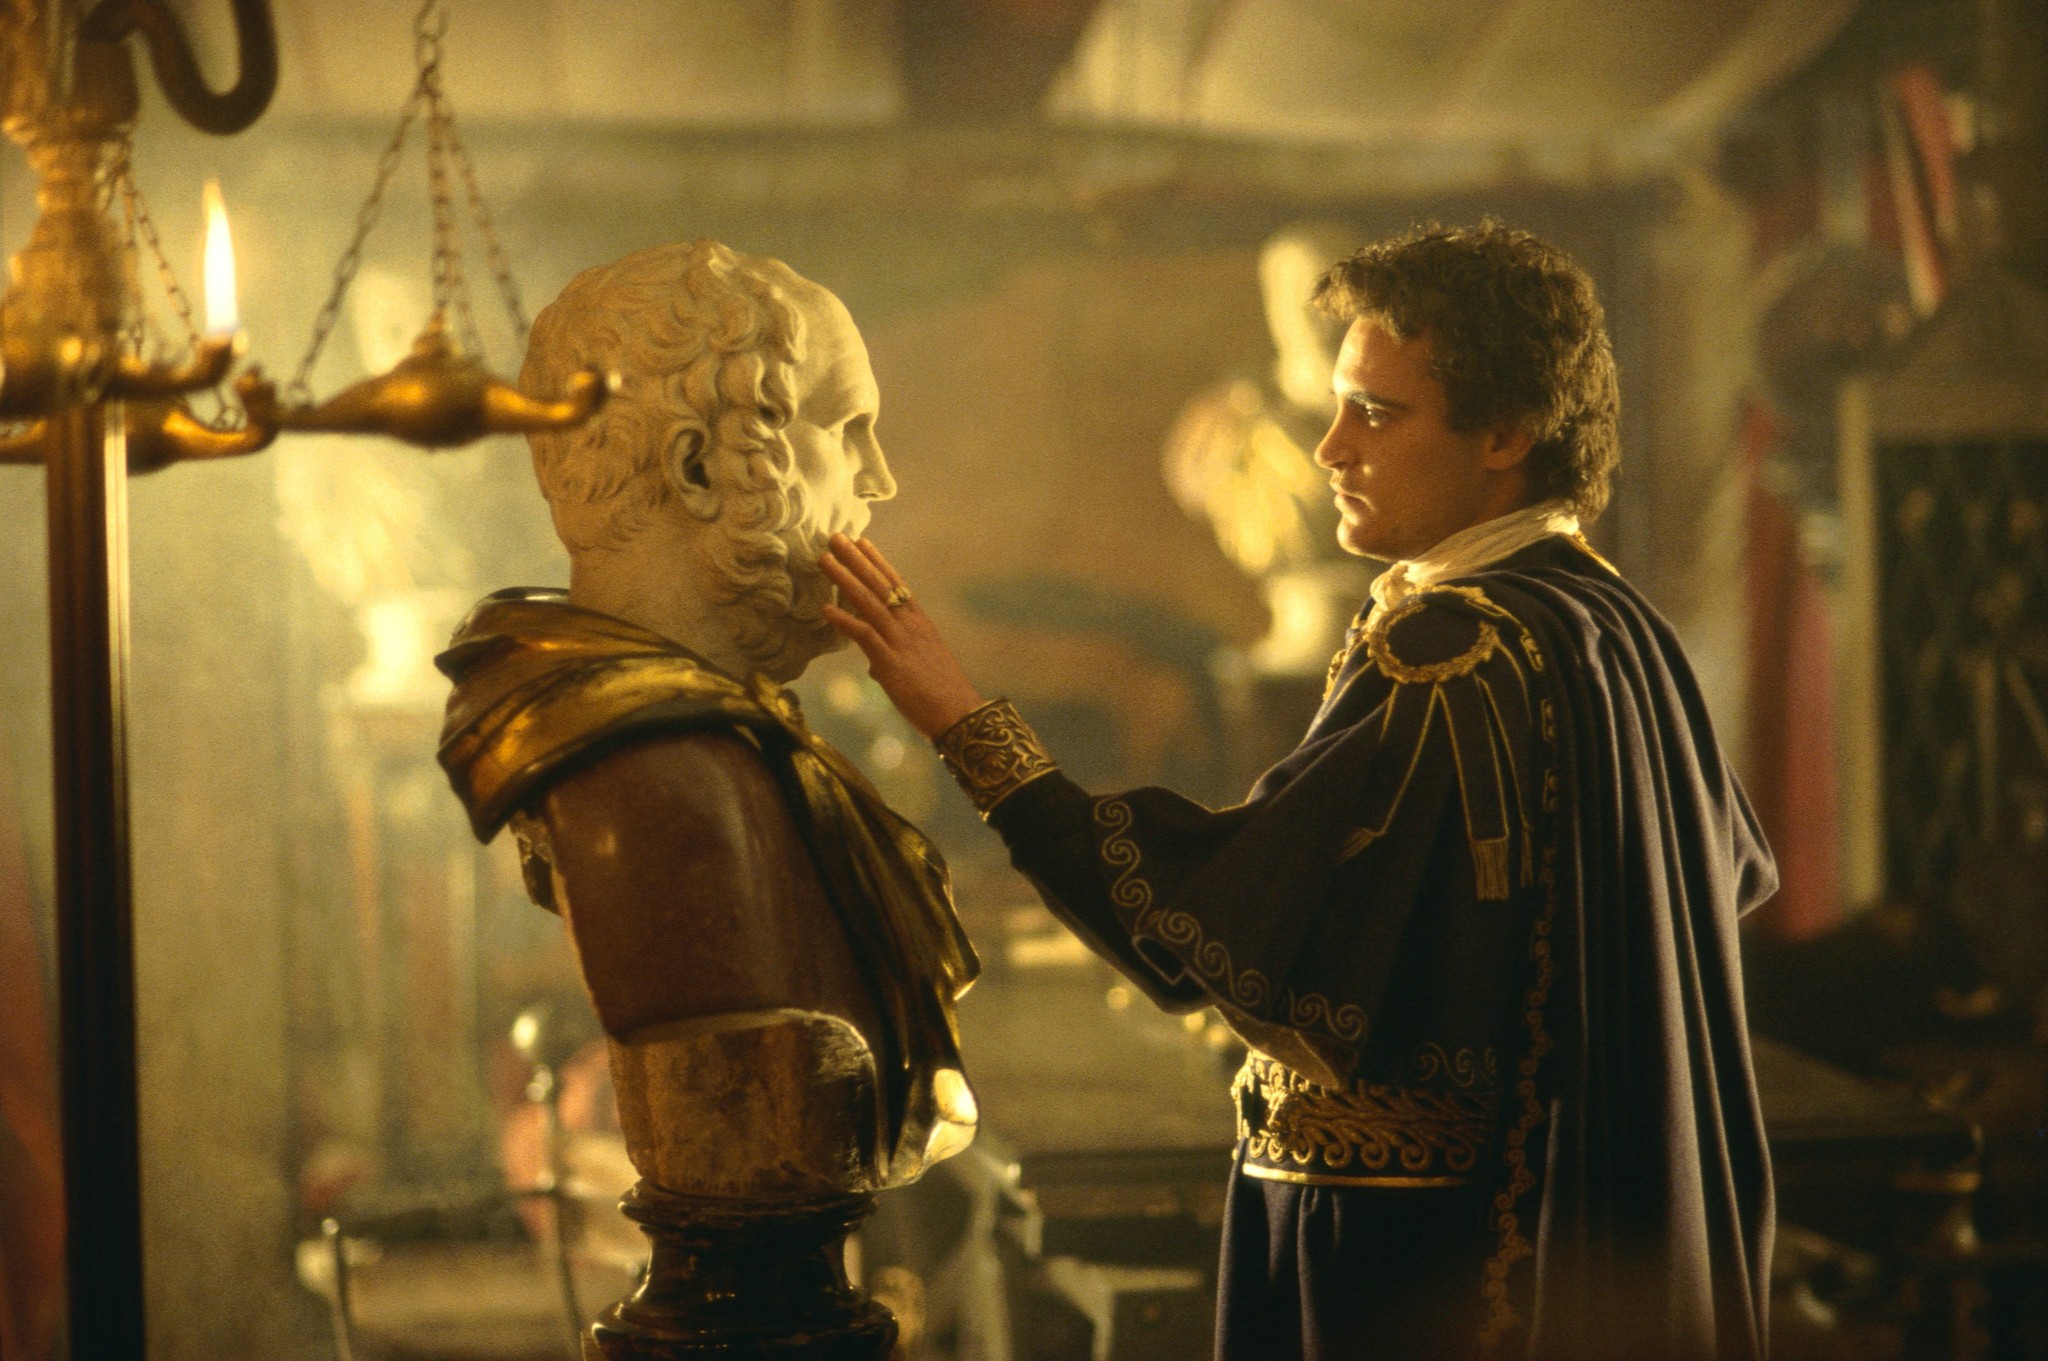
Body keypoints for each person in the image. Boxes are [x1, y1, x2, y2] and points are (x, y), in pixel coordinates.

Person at [822, 222, 1777, 1361]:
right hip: (1552, 1221)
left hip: (1426, 1259)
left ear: (1506, 434)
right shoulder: (1610, 622)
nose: (1329, 448)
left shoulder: (1454, 648)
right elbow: (1726, 871)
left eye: (1374, 412)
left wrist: (959, 719)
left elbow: (1212, 922)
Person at [438, 238, 977, 1216]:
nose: (879, 478)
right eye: (847, 429)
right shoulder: (658, 780)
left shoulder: (731, 745)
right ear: (696, 465)